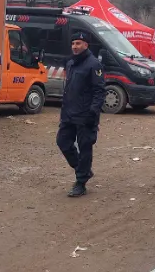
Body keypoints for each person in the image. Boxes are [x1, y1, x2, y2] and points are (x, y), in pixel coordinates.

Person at [56, 31, 106, 197]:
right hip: (69, 113)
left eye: (78, 43)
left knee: (85, 148)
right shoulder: (71, 63)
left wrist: (93, 113)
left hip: (85, 115)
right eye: (73, 43)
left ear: (86, 45)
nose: (75, 47)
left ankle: (81, 183)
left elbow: (99, 91)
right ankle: (83, 169)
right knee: (63, 142)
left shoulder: (94, 64)